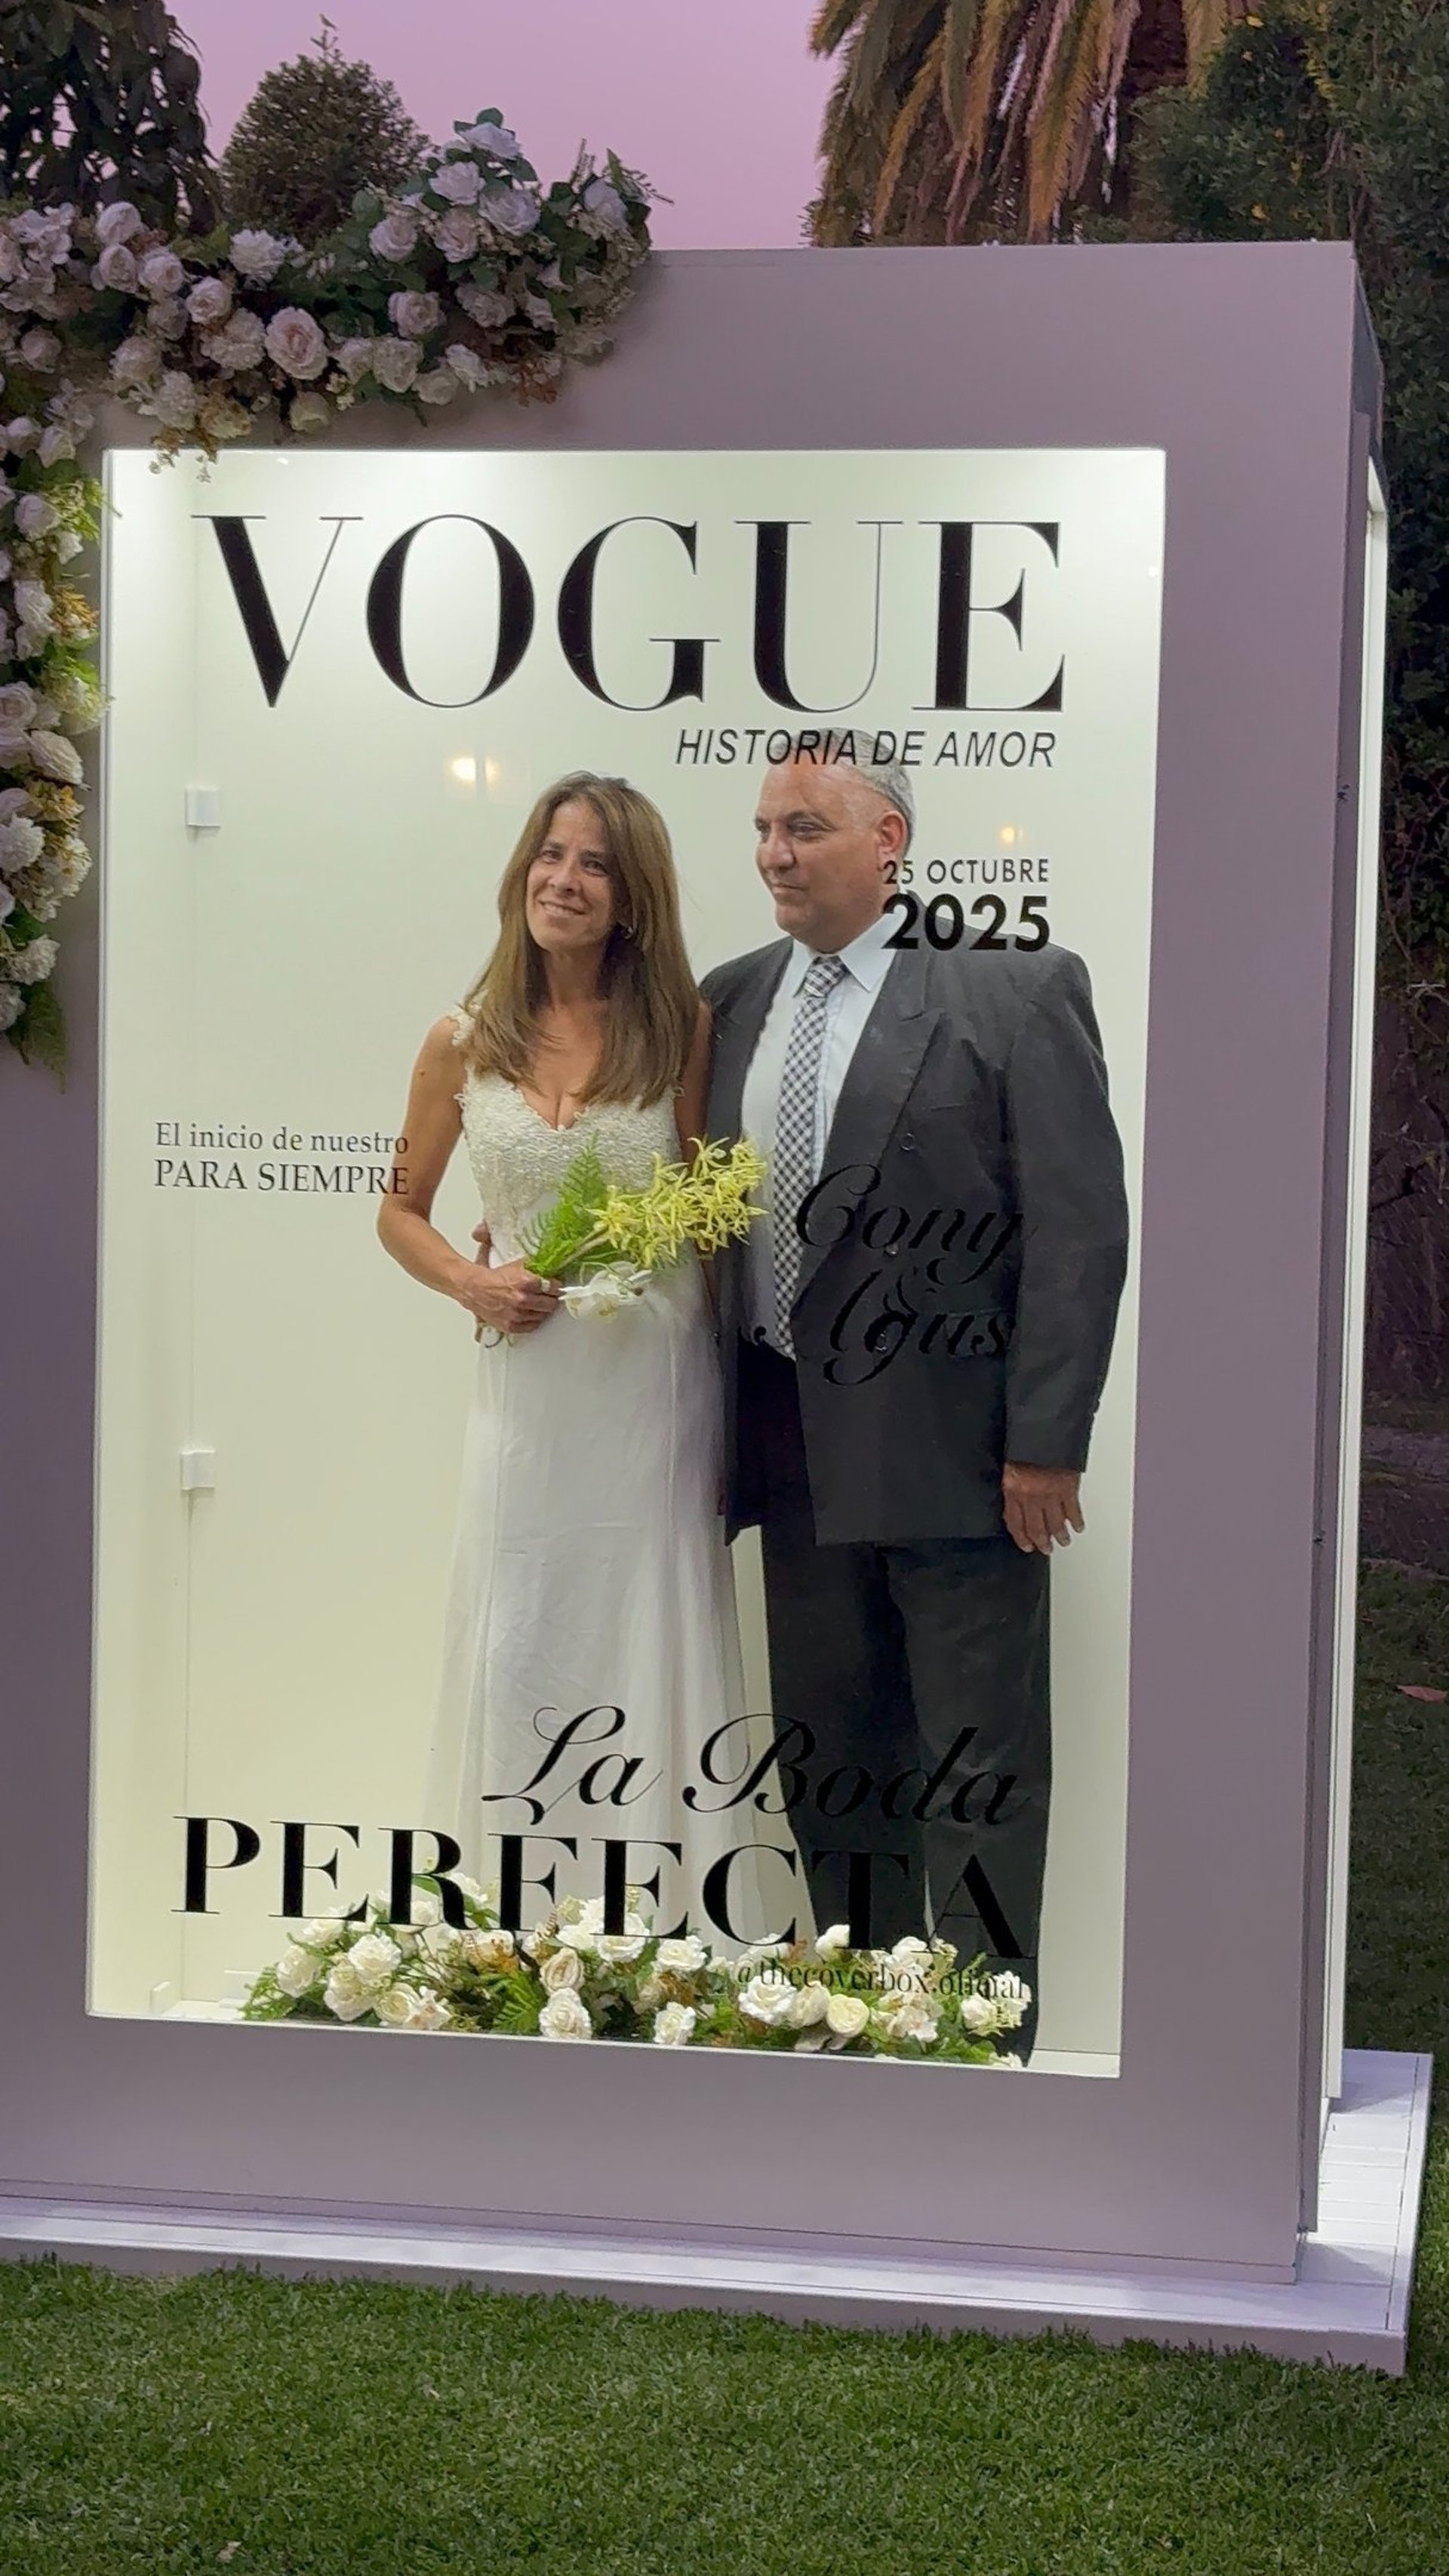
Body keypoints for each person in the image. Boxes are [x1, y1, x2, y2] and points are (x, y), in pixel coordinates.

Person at [702, 733, 1129, 2052]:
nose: (776, 852)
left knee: (979, 1776)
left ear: (889, 840)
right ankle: (872, 2037)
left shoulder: (1016, 989)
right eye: (767, 827)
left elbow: (1078, 1230)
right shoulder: (729, 999)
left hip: (963, 1464)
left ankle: (988, 2052)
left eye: (806, 829)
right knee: (837, 1776)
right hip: (791, 1454)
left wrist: (1046, 1443)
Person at [380, 772, 759, 1943]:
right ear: (521, 871)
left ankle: (659, 1934)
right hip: (527, 1388)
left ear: (631, 895)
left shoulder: (680, 1029)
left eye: (594, 863)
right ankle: (510, 1929)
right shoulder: (461, 1037)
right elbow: (401, 1211)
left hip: (650, 1381)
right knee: (521, 1621)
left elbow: (708, 1211)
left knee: (643, 1616)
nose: (565, 880)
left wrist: (658, 1233)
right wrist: (472, 1279)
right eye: (551, 854)